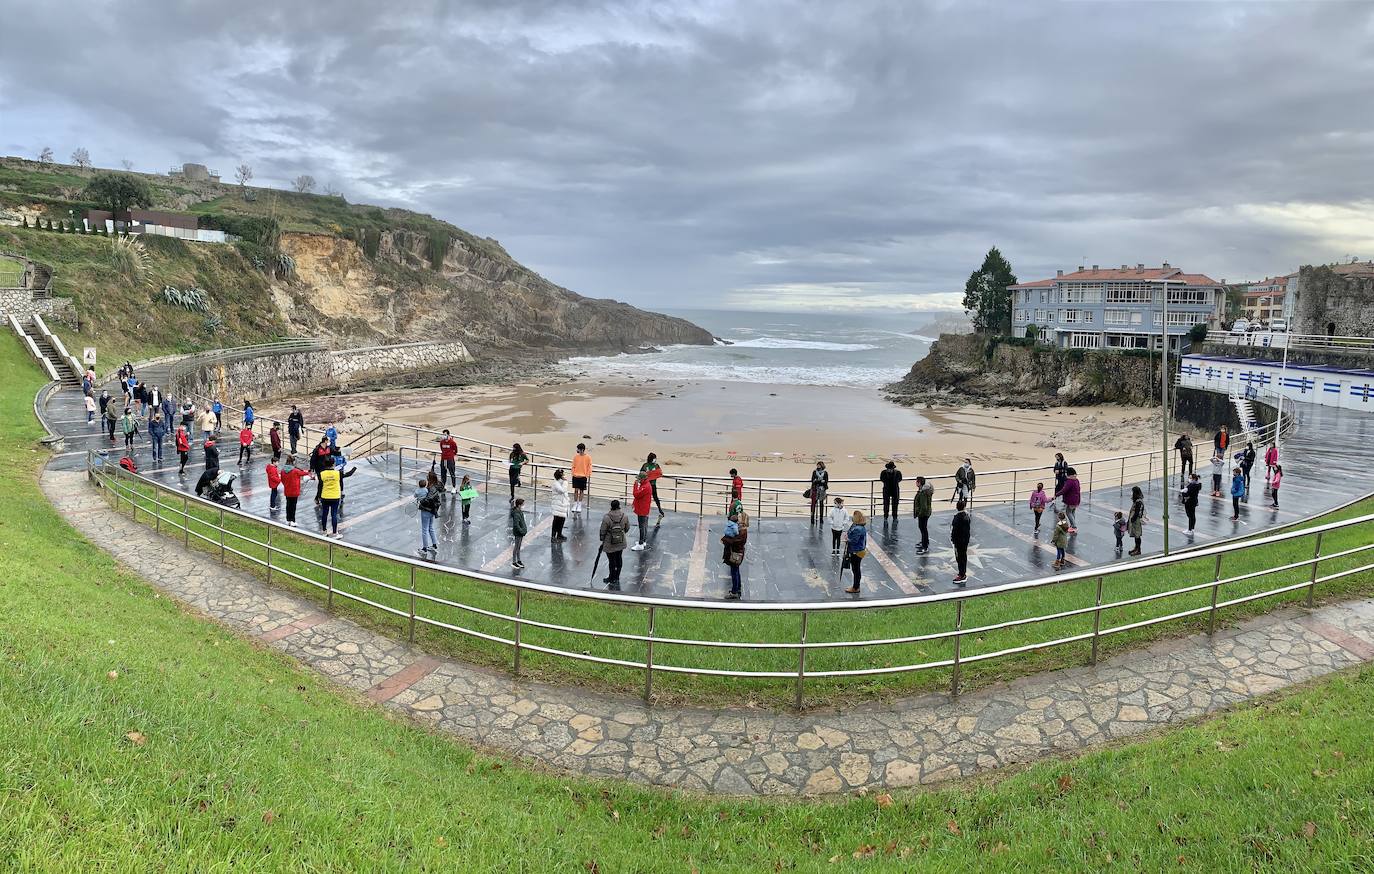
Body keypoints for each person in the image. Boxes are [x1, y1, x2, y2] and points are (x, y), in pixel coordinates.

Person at [599, 500, 630, 590]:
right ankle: (617, 576)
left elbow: (603, 530)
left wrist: (602, 539)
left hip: (610, 543)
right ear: (619, 506)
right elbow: (627, 528)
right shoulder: (624, 516)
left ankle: (611, 577)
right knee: (619, 558)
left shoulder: (607, 517)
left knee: (611, 560)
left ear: (611, 506)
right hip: (621, 541)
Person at [721, 514, 747, 600]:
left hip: (736, 554)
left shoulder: (742, 531)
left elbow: (735, 541)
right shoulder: (741, 529)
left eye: (740, 517)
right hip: (738, 553)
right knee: (736, 571)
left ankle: (734, 592)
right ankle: (737, 588)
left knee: (734, 572)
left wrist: (724, 540)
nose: (738, 518)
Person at [280, 456, 312, 527]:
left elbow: (282, 480)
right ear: (293, 462)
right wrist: (309, 472)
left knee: (288, 505)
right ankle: (292, 520)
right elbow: (303, 473)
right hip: (294, 491)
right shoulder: (295, 471)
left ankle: (288, 520)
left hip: (287, 490)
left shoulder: (283, 470)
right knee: (293, 506)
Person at [843, 511, 868, 594]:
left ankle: (856, 587)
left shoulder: (858, 528)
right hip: (858, 550)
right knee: (856, 569)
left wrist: (847, 539)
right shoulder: (858, 526)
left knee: (856, 570)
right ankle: (856, 586)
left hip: (856, 552)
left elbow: (854, 541)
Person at [416, 477, 441, 558]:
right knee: (431, 527)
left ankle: (424, 548)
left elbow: (425, 500)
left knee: (424, 530)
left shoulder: (429, 489)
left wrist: (420, 503)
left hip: (426, 511)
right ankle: (434, 544)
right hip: (432, 511)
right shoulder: (433, 489)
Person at [318, 464, 344, 538]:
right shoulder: (337, 473)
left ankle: (324, 531)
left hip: (325, 496)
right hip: (335, 496)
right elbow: (348, 474)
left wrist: (318, 497)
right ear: (333, 464)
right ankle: (335, 533)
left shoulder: (322, 473)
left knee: (324, 514)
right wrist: (354, 468)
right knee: (334, 514)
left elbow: (320, 486)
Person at [630, 472, 653, 551]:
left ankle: (640, 544)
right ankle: (643, 541)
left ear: (643, 479)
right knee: (644, 526)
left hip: (642, 509)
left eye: (639, 479)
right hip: (644, 508)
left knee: (641, 527)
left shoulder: (645, 487)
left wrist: (635, 485)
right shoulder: (646, 485)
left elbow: (636, 494)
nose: (638, 480)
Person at [951, 501, 971, 584]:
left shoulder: (958, 518)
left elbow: (955, 530)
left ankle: (962, 575)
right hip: (964, 540)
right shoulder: (966, 516)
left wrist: (953, 539)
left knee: (960, 557)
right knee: (963, 557)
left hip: (959, 541)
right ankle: (962, 573)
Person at [640, 452, 666, 519]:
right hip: (646, 485)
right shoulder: (645, 465)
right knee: (645, 499)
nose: (655, 459)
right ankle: (644, 511)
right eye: (655, 458)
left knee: (656, 498)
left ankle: (660, 510)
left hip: (653, 485)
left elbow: (659, 473)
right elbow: (641, 474)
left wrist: (651, 474)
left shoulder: (656, 465)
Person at [912, 475, 934, 553]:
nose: (915, 483)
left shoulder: (923, 493)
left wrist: (919, 513)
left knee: (923, 528)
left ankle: (925, 546)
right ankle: (925, 542)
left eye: (917, 481)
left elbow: (923, 506)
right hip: (926, 513)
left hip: (924, 514)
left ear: (919, 482)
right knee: (923, 528)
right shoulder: (924, 491)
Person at [1057, 468, 1082, 533]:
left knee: (1068, 512)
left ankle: (1074, 526)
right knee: (1073, 512)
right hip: (1076, 499)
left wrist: (1056, 494)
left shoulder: (1069, 482)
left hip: (1071, 500)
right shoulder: (1076, 480)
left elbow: (1064, 490)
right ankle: (1072, 526)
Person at [309, 438, 333, 503]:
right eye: (328, 441)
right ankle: (318, 497)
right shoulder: (317, 449)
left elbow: (334, 452)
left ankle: (321, 496)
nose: (329, 442)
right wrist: (312, 469)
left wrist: (342, 452)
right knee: (321, 482)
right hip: (319, 469)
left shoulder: (329, 448)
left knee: (325, 482)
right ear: (325, 441)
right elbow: (312, 460)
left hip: (326, 468)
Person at [550, 469, 570, 541]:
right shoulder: (556, 483)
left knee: (562, 519)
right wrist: (565, 482)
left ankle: (559, 534)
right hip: (557, 504)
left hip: (563, 504)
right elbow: (562, 491)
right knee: (556, 520)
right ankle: (553, 536)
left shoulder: (560, 482)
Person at [571, 443, 592, 513]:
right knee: (576, 491)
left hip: (583, 476)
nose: (577, 450)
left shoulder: (588, 457)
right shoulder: (575, 457)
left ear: (582, 450)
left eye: (578, 449)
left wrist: (587, 475)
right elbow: (573, 466)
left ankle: (579, 505)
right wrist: (573, 473)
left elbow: (589, 467)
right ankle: (575, 504)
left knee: (582, 491)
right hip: (575, 476)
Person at [808, 461, 829, 525]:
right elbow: (813, 481)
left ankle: (821, 518)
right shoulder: (814, 472)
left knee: (821, 504)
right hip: (815, 490)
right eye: (817, 465)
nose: (818, 466)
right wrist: (820, 481)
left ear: (822, 465)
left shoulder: (825, 473)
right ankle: (812, 518)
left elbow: (826, 482)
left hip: (822, 490)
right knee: (813, 504)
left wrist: (817, 481)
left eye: (819, 465)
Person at [1127, 486, 1145, 555]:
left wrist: (1132, 519)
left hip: (1136, 521)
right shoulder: (1138, 500)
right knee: (1135, 535)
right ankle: (1136, 548)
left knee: (1137, 535)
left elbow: (1137, 512)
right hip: (1134, 520)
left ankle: (1138, 549)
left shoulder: (1138, 502)